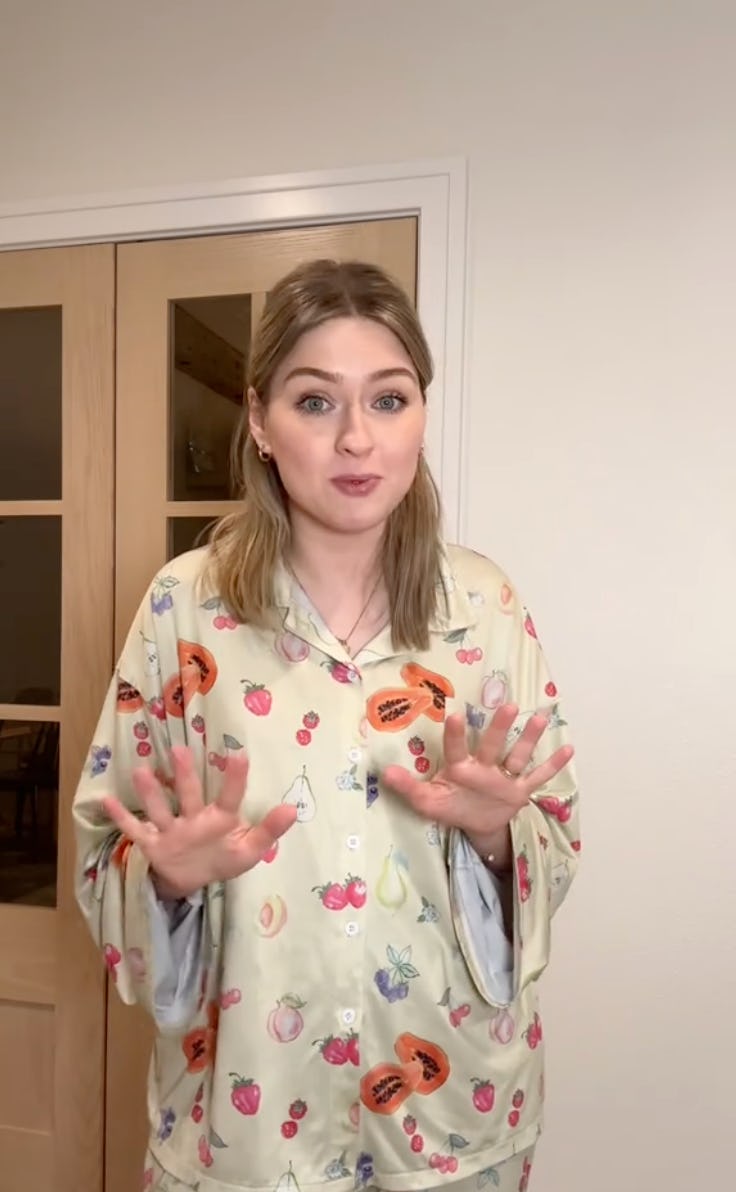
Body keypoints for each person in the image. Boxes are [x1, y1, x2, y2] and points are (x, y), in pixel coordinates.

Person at [73, 259, 579, 1192]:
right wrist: (169, 879)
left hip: (452, 1122)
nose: (357, 438)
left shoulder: (485, 606)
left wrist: (497, 833)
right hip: (246, 1128)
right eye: (315, 402)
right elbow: (107, 850)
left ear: (421, 414)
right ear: (260, 421)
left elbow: (558, 844)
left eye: (388, 401)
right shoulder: (184, 610)